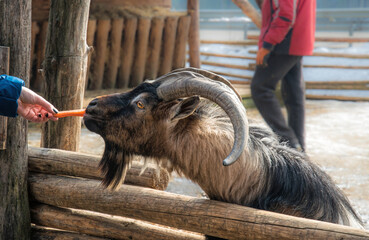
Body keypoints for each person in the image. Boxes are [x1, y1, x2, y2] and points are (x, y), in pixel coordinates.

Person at [251, 0, 316, 151]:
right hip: (298, 39)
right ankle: (298, 148)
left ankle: (289, 143)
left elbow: (286, 15)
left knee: (260, 88)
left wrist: (267, 44)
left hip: (285, 40)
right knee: (294, 96)